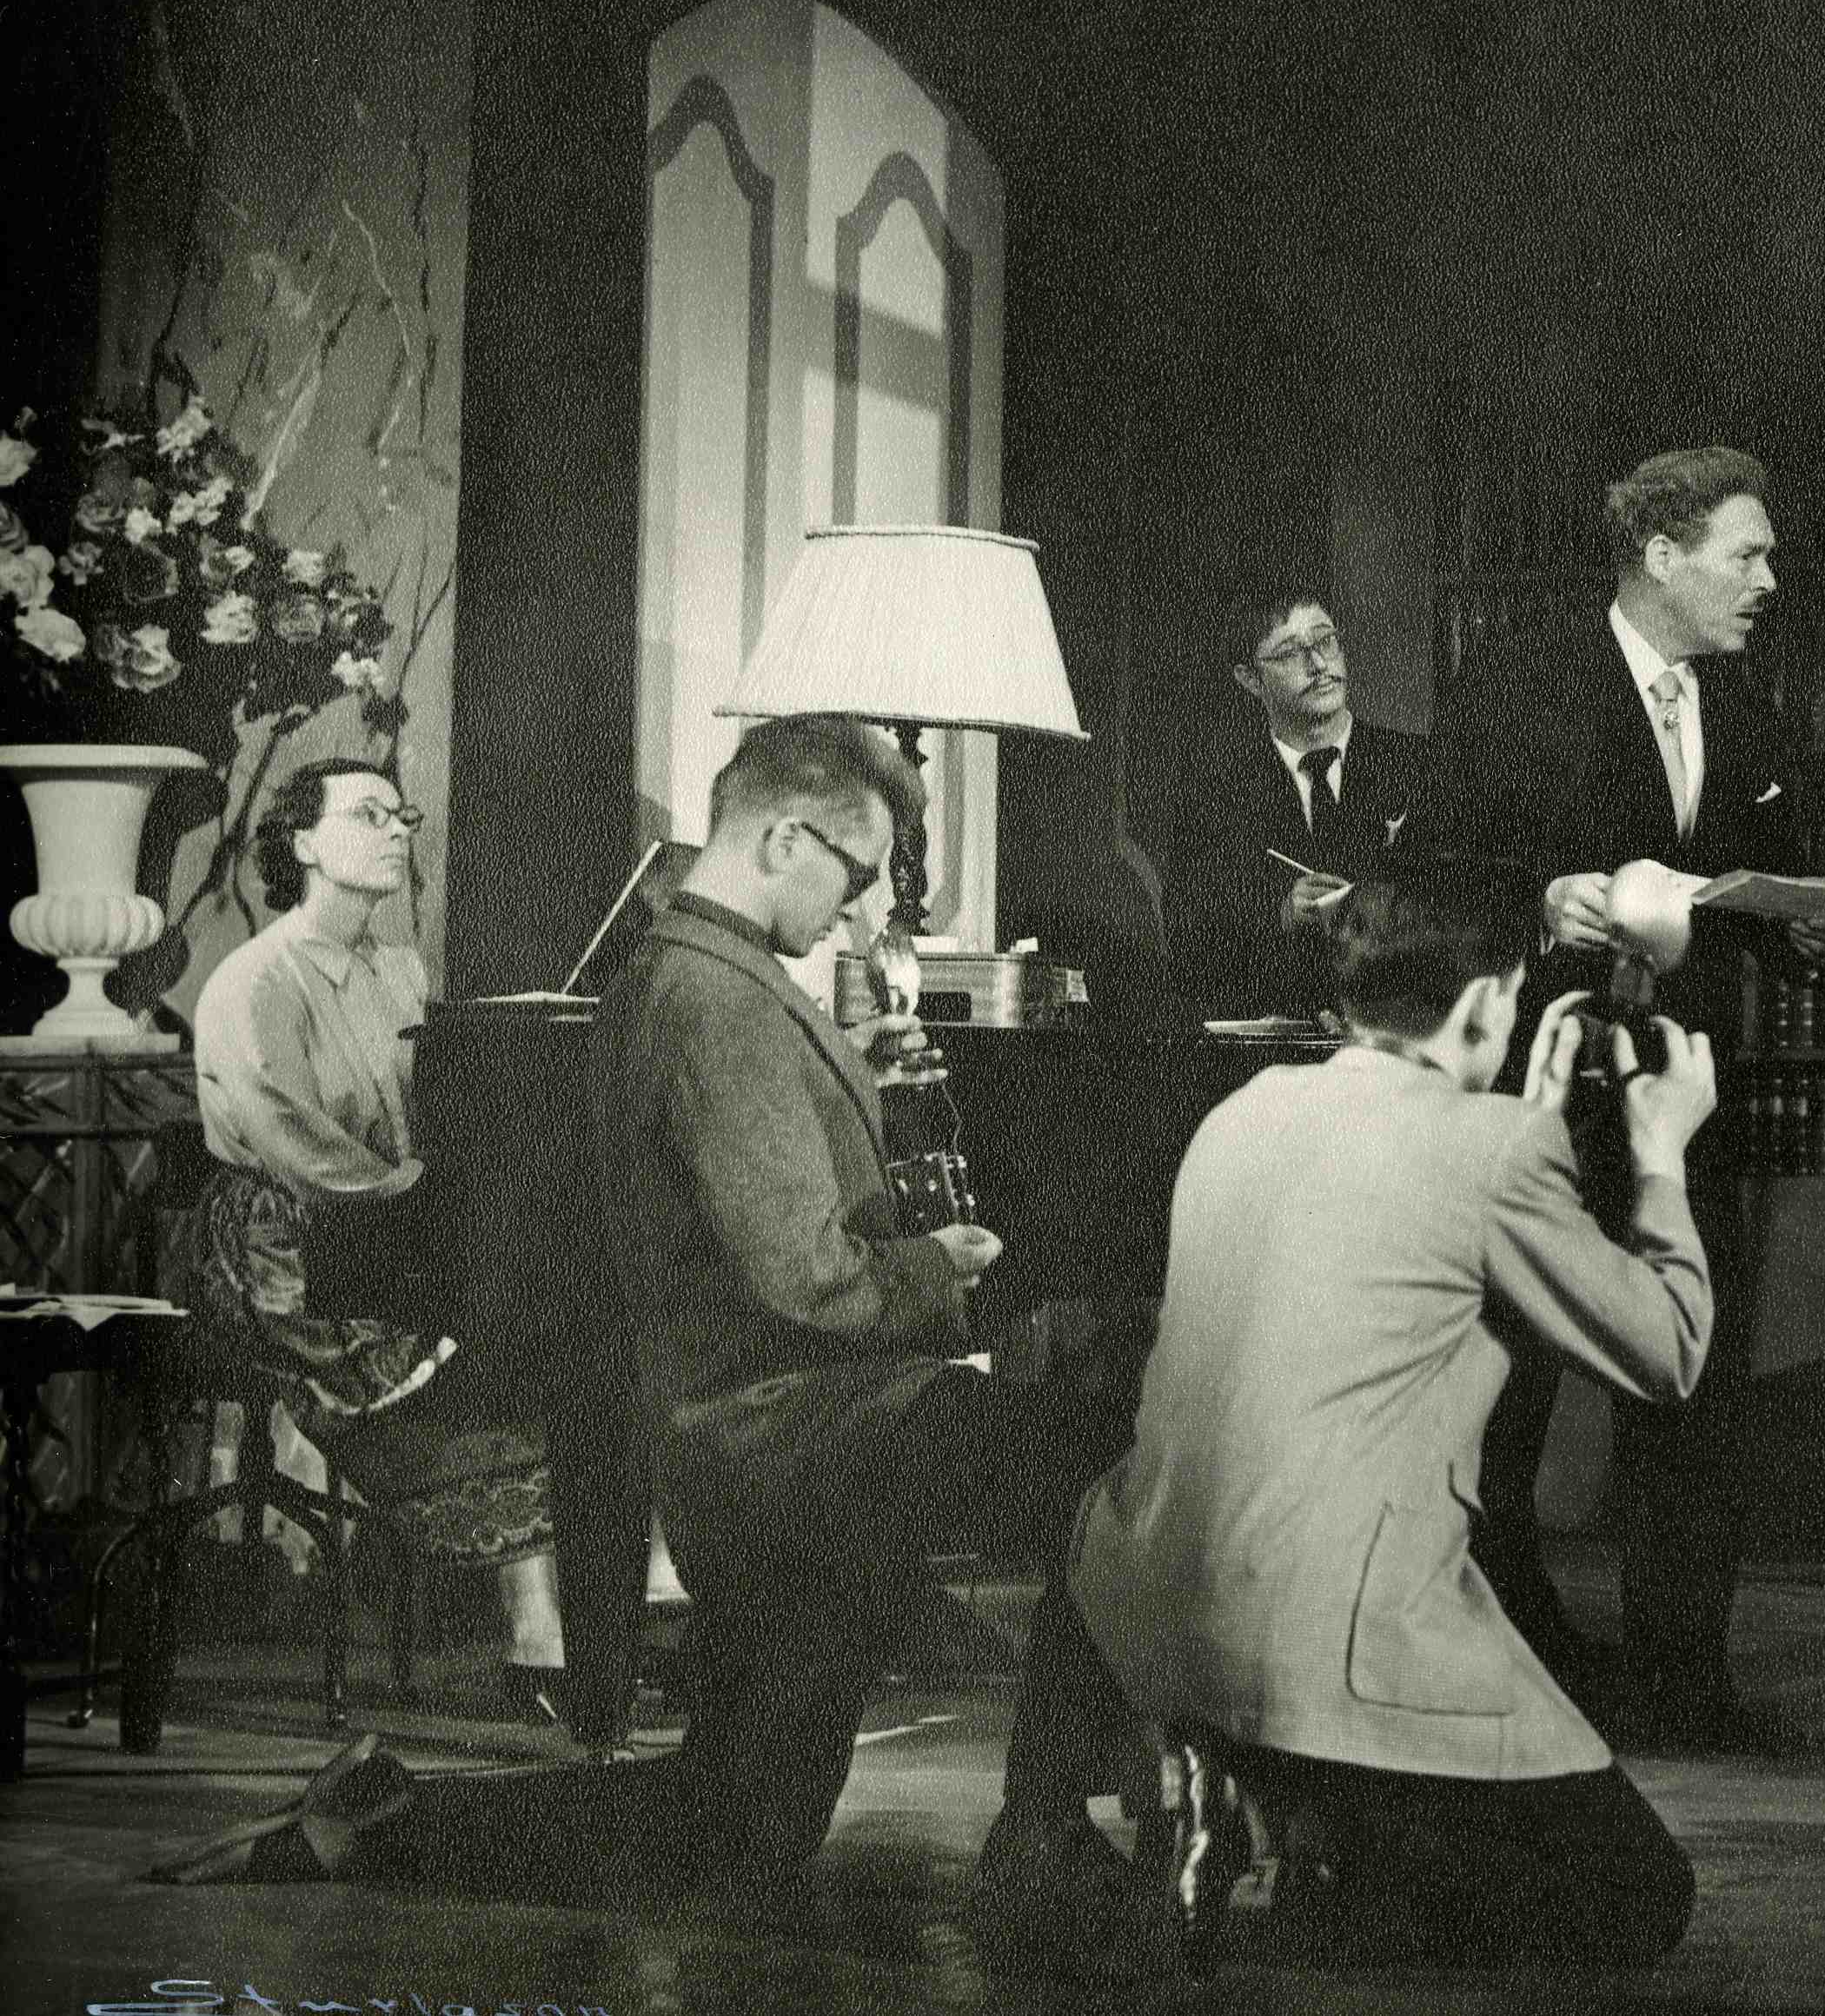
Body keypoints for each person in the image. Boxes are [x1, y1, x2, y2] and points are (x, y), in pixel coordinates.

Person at [150, 718, 1149, 1964]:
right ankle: (1043, 1834)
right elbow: (811, 1279)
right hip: (794, 1437)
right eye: (853, 873)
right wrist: (939, 1266)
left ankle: (377, 1819)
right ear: (784, 838)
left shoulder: (694, 974)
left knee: (735, 1826)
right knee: (1114, 1460)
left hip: (760, 1439)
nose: (857, 909)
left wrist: (859, 1092)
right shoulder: (716, 998)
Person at [1071, 865, 1717, 1971]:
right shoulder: (1495, 1149)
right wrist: (1661, 1159)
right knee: (1636, 1900)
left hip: (1150, 1604)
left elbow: (1405, 1232)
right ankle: (1317, 1838)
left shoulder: (1244, 1110)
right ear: (1488, 1004)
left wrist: (1520, 1127)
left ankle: (1249, 1793)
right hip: (1332, 1636)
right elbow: (1667, 1352)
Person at [1418, 444, 1825, 1747]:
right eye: (1747, 554)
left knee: (1692, 1388)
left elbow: (1773, 888)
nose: (1768, 581)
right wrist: (1535, 899)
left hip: (1684, 1101)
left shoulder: (1753, 706)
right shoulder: (1517, 684)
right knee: (1504, 1394)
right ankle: (1499, 1667)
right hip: (1535, 1098)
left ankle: (1681, 1681)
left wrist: (1807, 932)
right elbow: (1426, 872)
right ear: (1663, 557)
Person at [159, 757, 567, 1720]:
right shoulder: (254, 978)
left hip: (385, 1223)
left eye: (402, 816)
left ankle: (555, 1626)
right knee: (425, 1359)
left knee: (526, 1338)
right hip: (274, 1244)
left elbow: (429, 1109)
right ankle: (539, 1636)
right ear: (303, 842)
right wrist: (415, 1198)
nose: (396, 833)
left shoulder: (401, 968)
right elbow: (290, 1139)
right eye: (369, 815)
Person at [1165, 584, 1430, 1024]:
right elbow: (1190, 947)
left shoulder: (1421, 767)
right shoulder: (1214, 794)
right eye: (1290, 653)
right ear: (1250, 679)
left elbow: (1467, 922)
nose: (1319, 664)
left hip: (1398, 1039)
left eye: (1326, 641)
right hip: (1279, 1046)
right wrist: (1282, 914)